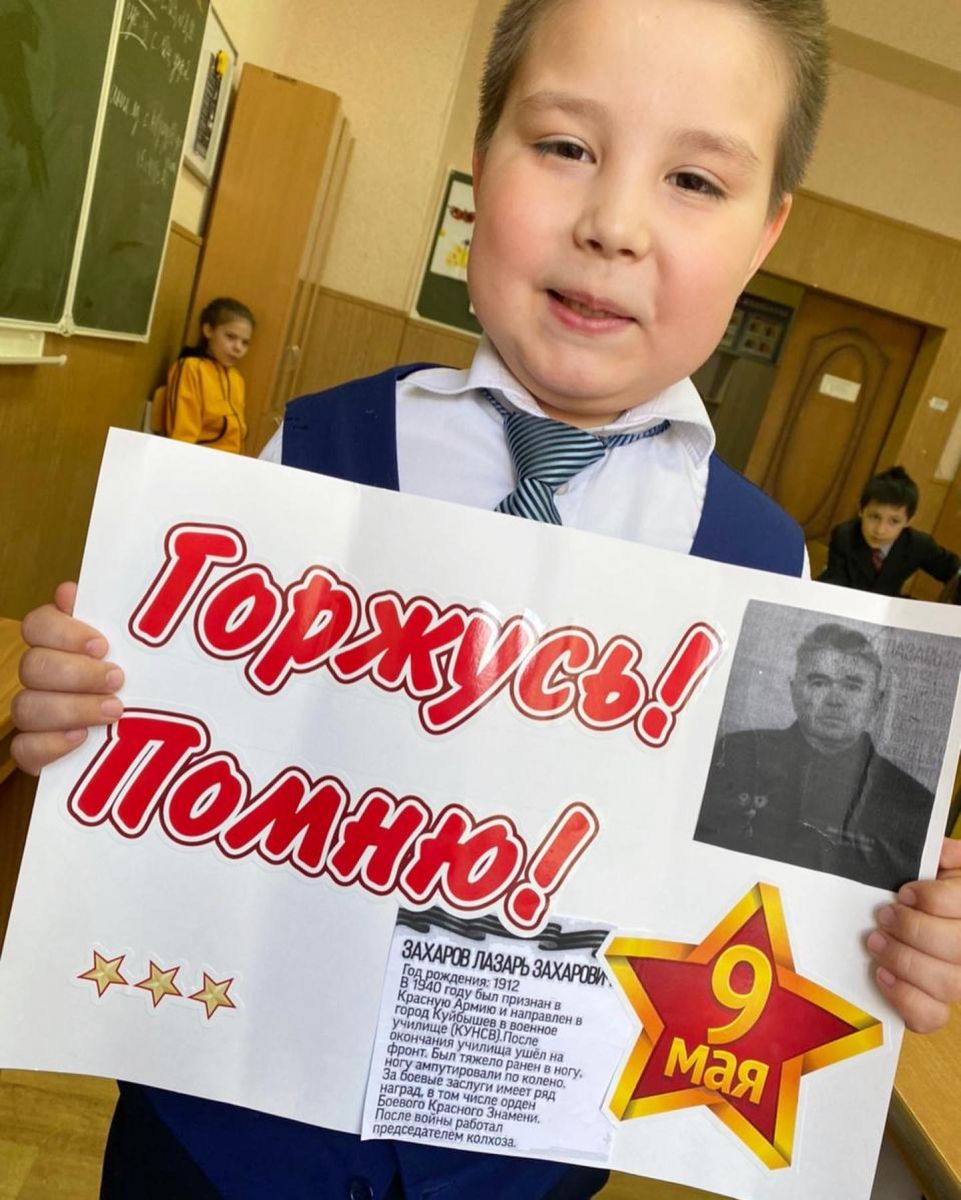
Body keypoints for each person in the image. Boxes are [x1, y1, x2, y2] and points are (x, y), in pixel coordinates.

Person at [11, 2, 961, 1197]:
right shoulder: (308, 454)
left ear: (766, 231)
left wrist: (894, 940)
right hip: (219, 1127)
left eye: (692, 179)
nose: (612, 225)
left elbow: (764, 915)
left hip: (516, 1151)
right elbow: (165, 760)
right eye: (564, 146)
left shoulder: (768, 569)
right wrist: (80, 717)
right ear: (480, 158)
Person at [694, 623, 935, 890]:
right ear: (793, 690)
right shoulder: (736, 754)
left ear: (876, 701)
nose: (835, 700)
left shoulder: (913, 802)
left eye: (852, 686)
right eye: (819, 682)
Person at [820, 466, 961, 596]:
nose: (880, 530)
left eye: (894, 521)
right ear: (861, 510)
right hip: (847, 600)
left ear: (908, 520)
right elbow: (835, 583)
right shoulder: (845, 536)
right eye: (874, 517)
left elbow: (954, 570)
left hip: (889, 605)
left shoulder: (918, 544)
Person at [151, 297, 254, 453]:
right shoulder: (191, 368)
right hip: (197, 458)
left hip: (228, 461)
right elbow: (182, 434)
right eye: (230, 337)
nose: (238, 348)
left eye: (245, 342)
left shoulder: (237, 379)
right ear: (208, 330)